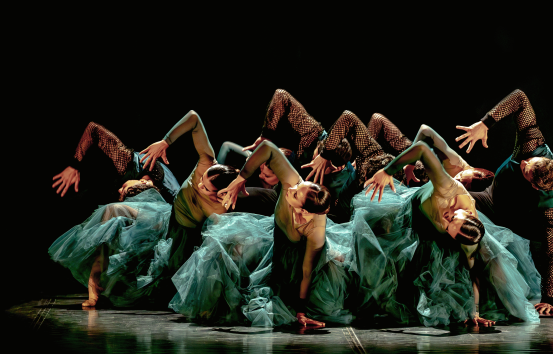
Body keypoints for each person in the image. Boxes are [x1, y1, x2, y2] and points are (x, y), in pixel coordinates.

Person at [49, 111, 248, 308]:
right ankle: (96, 281)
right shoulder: (199, 166)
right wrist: (165, 142)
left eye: (125, 191)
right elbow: (194, 118)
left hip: (177, 232)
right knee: (112, 214)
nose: (200, 186)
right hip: (165, 219)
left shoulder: (197, 197)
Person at [359, 124, 544, 327]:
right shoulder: (447, 187)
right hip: (410, 211)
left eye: (448, 227)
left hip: (427, 234)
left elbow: (474, 273)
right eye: (452, 218)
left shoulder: (465, 241)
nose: (446, 218)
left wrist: (475, 312)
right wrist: (392, 170)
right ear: (467, 214)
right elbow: (422, 146)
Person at [170, 141, 353, 328]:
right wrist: (240, 179)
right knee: (224, 245)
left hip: (293, 263)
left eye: (296, 194)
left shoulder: (315, 231)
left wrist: (301, 312)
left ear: (304, 211)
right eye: (299, 186)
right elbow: (267, 147)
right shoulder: (293, 181)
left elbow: (306, 272)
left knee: (283, 300)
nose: (291, 188)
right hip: (273, 238)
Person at [454, 89, 553, 314]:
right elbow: (520, 98)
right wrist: (485, 123)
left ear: (535, 186)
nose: (524, 164)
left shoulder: (552, 205)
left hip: (521, 220)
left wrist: (548, 299)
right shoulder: (532, 145)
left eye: (526, 171)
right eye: (528, 162)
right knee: (451, 196)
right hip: (492, 199)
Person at [243, 89, 356, 220]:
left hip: (293, 201)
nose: (313, 162)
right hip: (285, 175)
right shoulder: (314, 135)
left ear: (337, 168)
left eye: (321, 163)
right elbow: (281, 96)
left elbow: (338, 218)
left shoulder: (342, 186)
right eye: (316, 156)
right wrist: (266, 135)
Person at [51, 121, 182, 201]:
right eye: (124, 191)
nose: (121, 190)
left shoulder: (165, 201)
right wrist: (74, 165)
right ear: (143, 182)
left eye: (123, 194)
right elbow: (93, 129)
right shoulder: (127, 162)